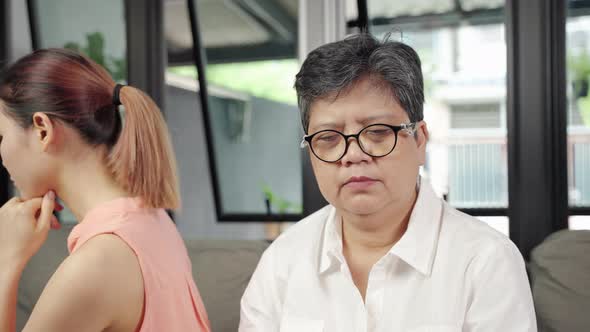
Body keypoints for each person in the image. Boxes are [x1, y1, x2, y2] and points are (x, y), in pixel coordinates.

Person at [239, 33, 537, 331]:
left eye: (378, 132)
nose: (353, 155)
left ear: (419, 140)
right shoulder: (282, 262)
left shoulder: (485, 262)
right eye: (328, 138)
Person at [0, 48, 210, 331]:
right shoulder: (152, 221)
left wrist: (6, 261)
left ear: (42, 129)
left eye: (1, 135)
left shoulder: (97, 263)